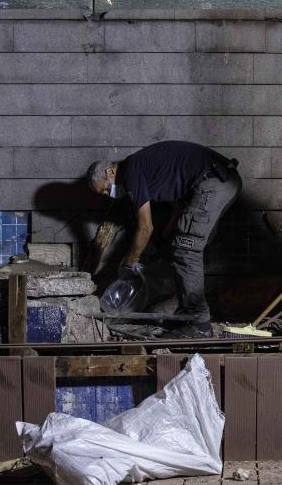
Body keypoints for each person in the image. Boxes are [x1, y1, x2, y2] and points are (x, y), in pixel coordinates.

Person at [87, 140, 241, 338]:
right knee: (182, 247)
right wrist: (165, 239)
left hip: (213, 182)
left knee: (186, 249)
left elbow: (145, 227)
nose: (110, 195)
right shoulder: (146, 170)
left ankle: (198, 323)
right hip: (220, 181)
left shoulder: (131, 172)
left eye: (106, 189)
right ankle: (188, 315)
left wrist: (129, 264)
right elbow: (178, 207)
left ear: (110, 172)